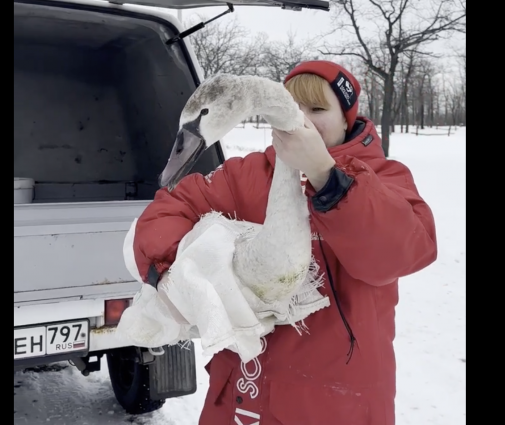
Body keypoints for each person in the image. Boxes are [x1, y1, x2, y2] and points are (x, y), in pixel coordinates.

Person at [130, 60, 437, 425]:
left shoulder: (387, 180)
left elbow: (400, 253)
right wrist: (174, 276)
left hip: (336, 403)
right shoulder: (245, 176)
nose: (300, 119)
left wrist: (327, 176)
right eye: (292, 107)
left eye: (318, 109)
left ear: (346, 119)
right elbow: (171, 206)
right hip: (243, 395)